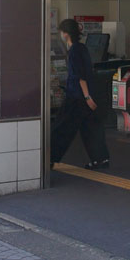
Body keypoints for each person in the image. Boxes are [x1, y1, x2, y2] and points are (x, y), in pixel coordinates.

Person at [50, 18, 109, 171]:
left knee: (62, 128)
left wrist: (87, 97)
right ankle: (101, 159)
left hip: (77, 97)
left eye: (62, 32)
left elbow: (80, 76)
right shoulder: (82, 47)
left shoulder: (74, 51)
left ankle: (49, 159)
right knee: (90, 128)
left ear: (66, 34)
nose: (61, 35)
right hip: (85, 96)